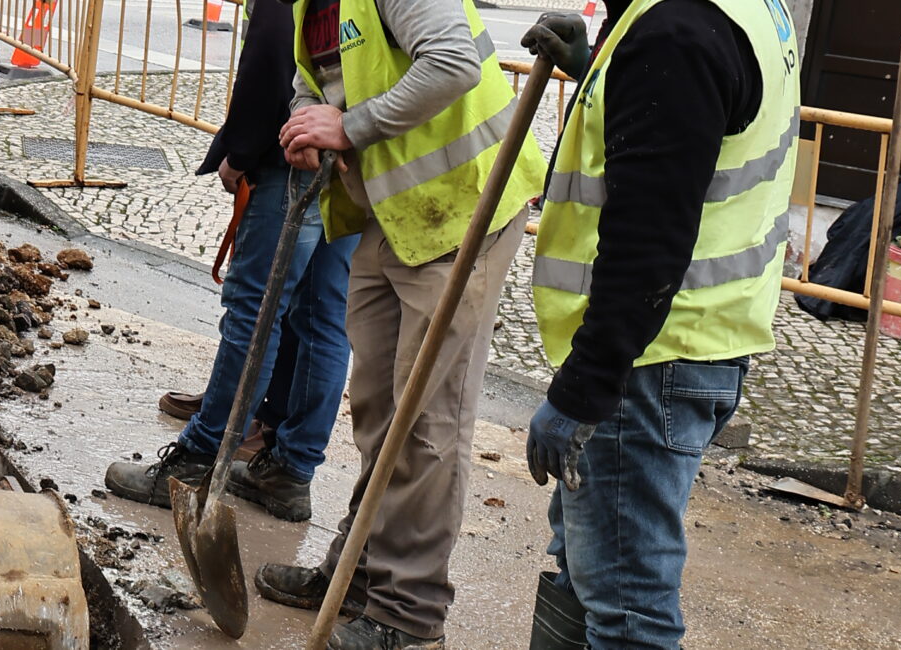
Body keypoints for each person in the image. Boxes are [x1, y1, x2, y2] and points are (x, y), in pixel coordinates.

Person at [250, 0, 546, 647]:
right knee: (380, 408)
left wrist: (350, 128)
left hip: (466, 207)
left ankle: (409, 614)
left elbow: (452, 63)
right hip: (395, 213)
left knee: (426, 420)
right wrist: (307, 123)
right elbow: (322, 78)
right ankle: (359, 572)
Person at [520, 1, 798, 647]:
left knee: (626, 612)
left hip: (645, 363)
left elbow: (648, 238)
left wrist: (584, 389)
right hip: (693, 343)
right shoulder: (737, 11)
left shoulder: (675, 31)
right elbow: (701, 125)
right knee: (589, 578)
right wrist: (598, 66)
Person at [102, 0, 360, 524]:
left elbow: (269, 58)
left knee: (255, 313)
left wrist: (240, 153)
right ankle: (289, 470)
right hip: (349, 156)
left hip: (295, 157)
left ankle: (199, 458)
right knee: (322, 319)